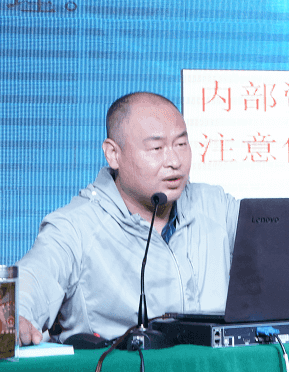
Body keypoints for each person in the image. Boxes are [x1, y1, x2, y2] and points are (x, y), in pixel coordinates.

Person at [16, 92, 239, 344]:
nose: (174, 161)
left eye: (181, 144)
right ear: (113, 154)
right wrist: (12, 315)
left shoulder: (216, 206)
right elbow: (31, 283)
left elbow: (273, 243)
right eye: (156, 148)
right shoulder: (75, 226)